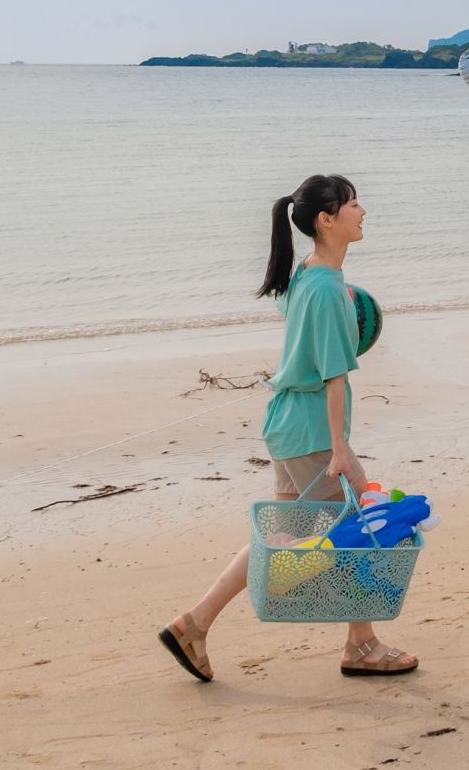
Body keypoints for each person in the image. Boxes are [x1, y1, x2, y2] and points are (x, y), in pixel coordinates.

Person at [157, 174, 418, 680]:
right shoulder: (324, 288)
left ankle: (194, 623)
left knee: (280, 535)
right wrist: (341, 449)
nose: (363, 211)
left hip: (288, 423)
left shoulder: (310, 273)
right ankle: (361, 646)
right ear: (326, 219)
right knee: (359, 530)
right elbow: (334, 376)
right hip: (314, 431)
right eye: (353, 204)